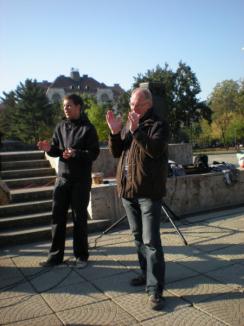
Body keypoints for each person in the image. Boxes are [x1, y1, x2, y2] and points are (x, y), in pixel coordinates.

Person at [106, 87, 169, 310]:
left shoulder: (158, 125)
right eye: (131, 104)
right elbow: (116, 153)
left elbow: (155, 150)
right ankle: (146, 275)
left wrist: (136, 132)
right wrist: (115, 132)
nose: (133, 108)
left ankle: (155, 290)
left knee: (151, 241)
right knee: (138, 238)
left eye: (137, 105)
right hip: (129, 193)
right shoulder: (130, 125)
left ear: (148, 104)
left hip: (148, 193)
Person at [37, 94, 100, 268]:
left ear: (79, 107)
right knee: (57, 218)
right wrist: (49, 149)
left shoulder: (88, 128)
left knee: (79, 219)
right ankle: (55, 256)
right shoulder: (60, 127)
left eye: (69, 105)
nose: (66, 108)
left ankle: (81, 256)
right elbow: (57, 150)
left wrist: (75, 153)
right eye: (64, 106)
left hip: (80, 181)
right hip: (62, 179)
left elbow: (94, 153)